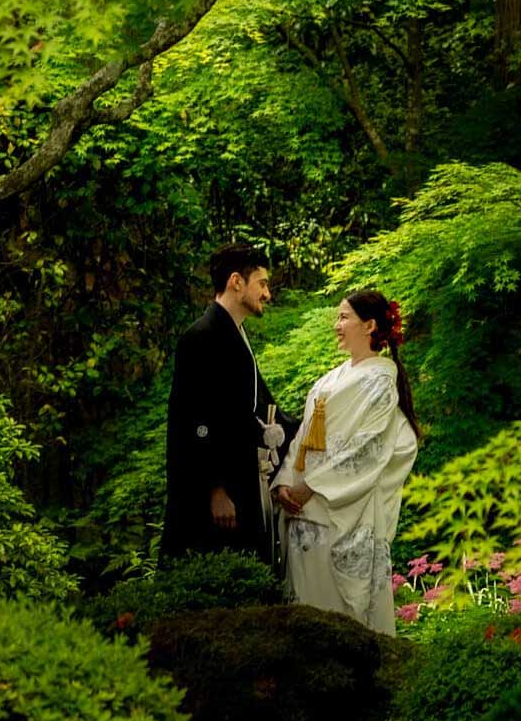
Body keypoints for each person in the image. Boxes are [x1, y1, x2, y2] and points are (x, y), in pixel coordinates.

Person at [269, 288, 421, 630]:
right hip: (301, 509)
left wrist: (312, 486)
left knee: (340, 620)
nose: (337, 325)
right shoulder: (330, 379)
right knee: (305, 612)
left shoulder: (382, 382)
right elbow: (304, 439)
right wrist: (284, 483)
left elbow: (367, 450)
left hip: (337, 509)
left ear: (369, 326)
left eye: (343, 317)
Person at [163, 243, 290, 559]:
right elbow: (194, 422)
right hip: (215, 497)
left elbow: (263, 407)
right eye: (262, 283)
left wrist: (312, 428)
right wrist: (215, 490)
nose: (267, 294)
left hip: (241, 480)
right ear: (237, 282)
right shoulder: (200, 337)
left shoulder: (237, 335)